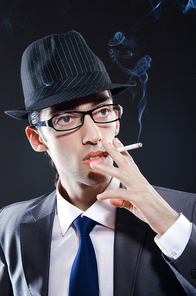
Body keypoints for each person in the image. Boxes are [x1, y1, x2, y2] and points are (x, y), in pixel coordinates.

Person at [1, 30, 196, 296]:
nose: (94, 136)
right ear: (38, 139)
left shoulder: (187, 213)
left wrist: (168, 222)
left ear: (116, 121)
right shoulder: (9, 226)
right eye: (66, 118)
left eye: (103, 111)